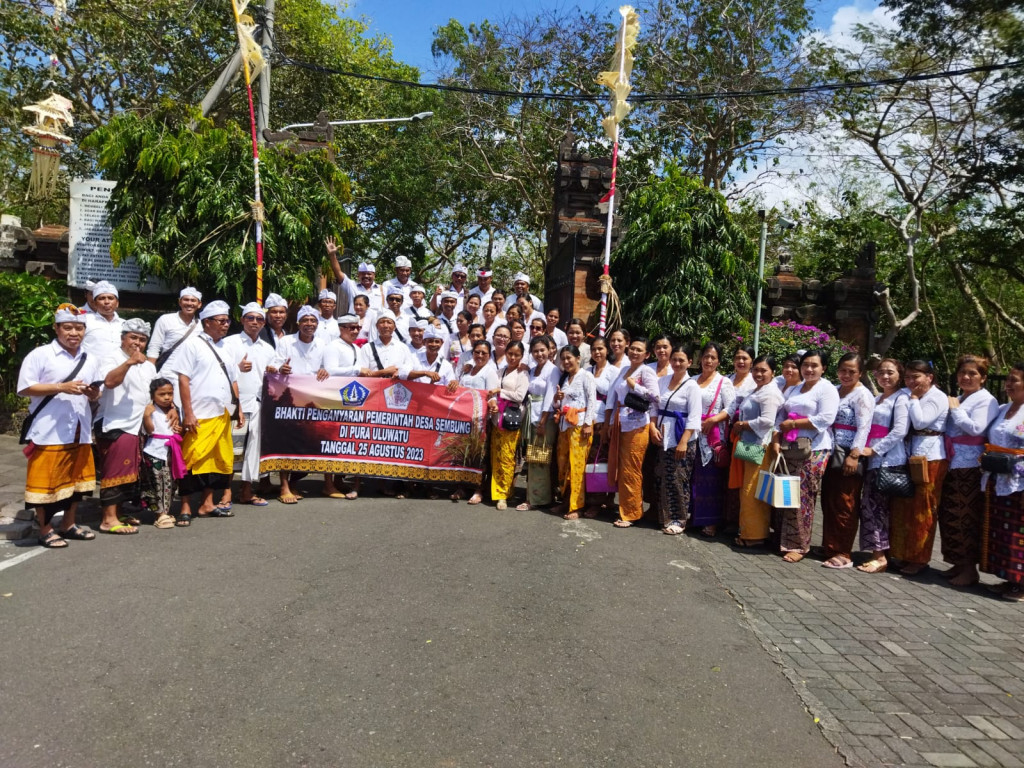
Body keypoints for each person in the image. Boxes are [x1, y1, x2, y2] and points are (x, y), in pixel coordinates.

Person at [18, 303, 102, 548]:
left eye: (78, 328)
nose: (73, 333)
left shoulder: (90, 358)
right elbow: (24, 387)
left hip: (80, 427)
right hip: (49, 430)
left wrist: (93, 393)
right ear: (56, 328)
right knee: (46, 484)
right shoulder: (40, 355)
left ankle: (68, 523)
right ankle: (45, 529)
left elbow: (94, 396)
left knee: (76, 482)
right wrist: (60, 387)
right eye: (68, 328)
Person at [169, 300, 245, 525]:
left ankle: (207, 503)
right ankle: (184, 506)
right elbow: (183, 379)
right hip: (199, 415)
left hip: (221, 413)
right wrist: (188, 413)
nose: (226, 325)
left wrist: (237, 409)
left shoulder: (225, 348)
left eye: (227, 321)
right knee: (191, 460)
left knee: (216, 460)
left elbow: (233, 381)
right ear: (207, 322)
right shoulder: (192, 345)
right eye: (221, 321)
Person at [937, 355, 999, 586]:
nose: (966, 377)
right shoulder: (962, 397)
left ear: (983, 378)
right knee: (951, 514)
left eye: (972, 373)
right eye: (962, 372)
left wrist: (956, 410)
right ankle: (957, 562)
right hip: (952, 461)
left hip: (970, 465)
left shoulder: (986, 400)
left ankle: (969, 569)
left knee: (966, 516)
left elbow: (976, 429)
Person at [772, 350, 840, 562]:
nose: (809, 369)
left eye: (814, 365)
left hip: (815, 448)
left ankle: (799, 545)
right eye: (806, 365)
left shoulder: (826, 389)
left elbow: (826, 418)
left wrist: (794, 424)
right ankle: (783, 539)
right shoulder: (795, 388)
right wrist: (776, 440)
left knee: (803, 496)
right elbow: (780, 414)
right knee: (787, 493)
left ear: (824, 368)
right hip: (790, 446)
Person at [94, 317, 157, 534]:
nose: (137, 343)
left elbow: (153, 394)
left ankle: (118, 513)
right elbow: (110, 382)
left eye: (141, 339)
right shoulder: (110, 357)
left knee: (129, 472)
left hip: (137, 425)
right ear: (123, 338)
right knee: (114, 471)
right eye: (133, 338)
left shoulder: (148, 366)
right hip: (114, 423)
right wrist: (129, 362)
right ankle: (108, 519)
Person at [890, 360, 949, 575]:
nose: (911, 381)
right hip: (912, 455)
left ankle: (920, 558)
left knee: (924, 509)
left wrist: (913, 399)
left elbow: (921, 422)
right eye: (908, 377)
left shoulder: (937, 397)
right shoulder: (908, 394)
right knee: (906, 507)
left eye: (916, 377)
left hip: (931, 457)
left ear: (929, 377)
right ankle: (904, 554)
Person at [271, 306, 333, 503]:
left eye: (313, 321)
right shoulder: (286, 342)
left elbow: (329, 367)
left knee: (314, 439)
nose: (309, 324)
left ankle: (322, 484)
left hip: (315, 400)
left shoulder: (324, 344)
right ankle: (284, 486)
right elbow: (272, 365)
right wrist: (281, 368)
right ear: (298, 323)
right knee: (288, 441)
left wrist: (324, 370)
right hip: (290, 400)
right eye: (305, 320)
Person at [820, 353, 874, 569]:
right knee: (829, 500)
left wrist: (854, 455)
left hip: (848, 453)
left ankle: (843, 552)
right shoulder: (834, 389)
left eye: (852, 371)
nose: (846, 375)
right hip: (832, 451)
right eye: (843, 370)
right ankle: (830, 546)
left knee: (846, 503)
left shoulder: (862, 395)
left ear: (860, 373)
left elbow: (864, 426)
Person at [856, 358, 909, 574]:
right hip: (872, 459)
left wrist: (875, 449)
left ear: (899, 375)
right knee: (871, 506)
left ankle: (880, 556)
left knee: (876, 506)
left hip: (889, 459)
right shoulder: (877, 398)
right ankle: (878, 552)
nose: (885, 376)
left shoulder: (901, 399)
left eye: (890, 372)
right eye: (881, 372)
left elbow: (900, 430)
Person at [222, 302, 276, 507]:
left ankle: (246, 490)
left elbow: (272, 375)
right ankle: (226, 492)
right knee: (232, 449)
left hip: (259, 403)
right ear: (242, 320)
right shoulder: (230, 343)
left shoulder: (267, 348)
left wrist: (277, 371)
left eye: (259, 319)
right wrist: (238, 368)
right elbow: (220, 372)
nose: (255, 322)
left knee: (254, 449)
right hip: (235, 404)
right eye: (250, 318)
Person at [604, 336, 659, 528]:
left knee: (631, 469)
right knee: (621, 466)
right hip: (621, 422)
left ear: (646, 354)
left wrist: (635, 385)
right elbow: (615, 397)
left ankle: (631, 513)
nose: (634, 352)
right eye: (633, 349)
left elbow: (655, 397)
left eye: (639, 350)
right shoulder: (625, 370)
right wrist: (611, 422)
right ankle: (626, 507)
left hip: (638, 426)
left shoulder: (647, 371)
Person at [980, 362, 1024, 602]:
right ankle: (1009, 578)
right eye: (1008, 379)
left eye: (1014, 380)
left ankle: (1021, 583)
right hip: (998, 476)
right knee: (1002, 531)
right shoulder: (1003, 408)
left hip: (1020, 480)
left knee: (1019, 530)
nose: (1008, 384)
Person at [732, 354, 785, 547]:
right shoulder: (759, 389)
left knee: (752, 490)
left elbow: (767, 421)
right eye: (756, 370)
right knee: (748, 488)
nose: (759, 373)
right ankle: (748, 530)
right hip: (750, 443)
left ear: (773, 372)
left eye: (764, 370)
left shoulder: (769, 393)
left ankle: (754, 536)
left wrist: (744, 424)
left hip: (760, 445)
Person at [650, 344, 702, 534]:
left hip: (682, 437)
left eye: (682, 360)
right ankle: (663, 516)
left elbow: (695, 417)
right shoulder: (662, 381)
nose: (677, 363)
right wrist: (652, 426)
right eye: (674, 359)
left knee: (678, 478)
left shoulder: (692, 386)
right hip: (663, 434)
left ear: (689, 362)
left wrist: (683, 441)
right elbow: (654, 406)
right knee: (662, 475)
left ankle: (678, 519)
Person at [691, 342, 736, 537]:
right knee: (692, 476)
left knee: (711, 479)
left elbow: (731, 408)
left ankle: (710, 522)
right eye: (706, 356)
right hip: (692, 433)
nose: (708, 360)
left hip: (713, 436)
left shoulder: (723, 382)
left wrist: (713, 420)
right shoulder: (691, 380)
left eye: (713, 357)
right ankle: (694, 517)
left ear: (718, 361)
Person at [446, 340, 499, 505]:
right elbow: (460, 391)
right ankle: (461, 487)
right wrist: (455, 382)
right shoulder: (466, 371)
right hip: (464, 420)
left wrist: (492, 405)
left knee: (479, 455)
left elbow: (492, 395)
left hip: (481, 421)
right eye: (477, 352)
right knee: (463, 453)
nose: (480, 356)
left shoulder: (490, 372)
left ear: (489, 355)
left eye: (484, 353)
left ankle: (478, 489)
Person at [551, 345, 598, 519]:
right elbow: (559, 404)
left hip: (579, 426)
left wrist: (588, 423)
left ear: (578, 358)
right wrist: (557, 399)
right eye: (563, 358)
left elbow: (592, 400)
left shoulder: (586, 376)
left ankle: (576, 506)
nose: (566, 361)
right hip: (564, 425)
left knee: (577, 466)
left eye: (569, 357)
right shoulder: (565, 378)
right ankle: (565, 501)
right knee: (564, 465)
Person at [518, 336, 560, 511]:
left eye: (542, 350)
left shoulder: (553, 370)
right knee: (533, 458)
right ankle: (535, 495)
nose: (539, 354)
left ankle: (536, 499)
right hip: (531, 416)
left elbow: (550, 396)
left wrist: (543, 421)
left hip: (544, 419)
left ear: (550, 350)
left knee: (540, 458)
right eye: (535, 351)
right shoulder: (533, 369)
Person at [489, 341, 529, 510]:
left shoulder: (523, 374)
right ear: (505, 353)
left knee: (507, 457)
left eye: (516, 355)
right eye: (510, 353)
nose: (512, 357)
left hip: (511, 420)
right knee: (495, 457)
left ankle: (503, 494)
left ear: (521, 356)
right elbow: (490, 391)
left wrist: (500, 392)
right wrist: (493, 400)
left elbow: (519, 396)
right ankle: (497, 490)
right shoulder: (500, 371)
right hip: (496, 418)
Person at [583, 337, 619, 518]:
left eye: (601, 349)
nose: (597, 352)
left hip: (604, 421)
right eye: (594, 349)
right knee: (588, 461)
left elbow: (613, 399)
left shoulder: (613, 371)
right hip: (586, 420)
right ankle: (588, 500)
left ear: (607, 350)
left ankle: (601, 500)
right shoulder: (586, 370)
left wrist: (608, 425)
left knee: (601, 461)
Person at [141, 378, 182, 529]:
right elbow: (149, 430)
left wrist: (179, 430)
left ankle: (166, 511)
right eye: (162, 394)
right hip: (155, 451)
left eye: (170, 394)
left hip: (172, 451)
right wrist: (146, 416)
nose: (166, 397)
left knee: (171, 482)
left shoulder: (175, 409)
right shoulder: (150, 409)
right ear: (153, 395)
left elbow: (179, 427)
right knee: (158, 482)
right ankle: (159, 514)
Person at [725, 345, 758, 532]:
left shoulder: (755, 382)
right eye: (738, 357)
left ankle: (744, 523)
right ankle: (727, 519)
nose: (741, 361)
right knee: (726, 475)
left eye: (745, 358)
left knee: (747, 477)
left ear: (751, 361)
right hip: (724, 433)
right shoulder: (727, 379)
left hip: (748, 436)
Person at [147, 286, 202, 369]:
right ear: (180, 302)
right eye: (186, 300)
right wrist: (149, 370)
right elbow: (154, 346)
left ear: (199, 304)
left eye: (193, 300)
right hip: (167, 370)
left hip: (192, 371)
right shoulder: (165, 320)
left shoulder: (201, 325)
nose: (189, 303)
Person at [81, 280, 124, 359]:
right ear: (95, 303)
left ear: (117, 303)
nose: (106, 302)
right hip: (91, 370)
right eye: (102, 298)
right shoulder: (84, 321)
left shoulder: (124, 324)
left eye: (110, 298)